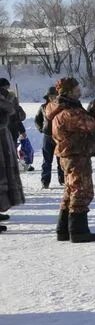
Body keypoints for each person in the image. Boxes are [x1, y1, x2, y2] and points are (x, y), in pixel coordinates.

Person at [48, 77, 95, 242]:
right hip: (76, 154)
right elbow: (91, 124)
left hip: (70, 154)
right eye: (76, 89)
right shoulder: (69, 111)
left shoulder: (62, 108)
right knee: (81, 191)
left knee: (70, 190)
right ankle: (78, 231)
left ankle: (64, 230)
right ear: (68, 92)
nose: (79, 91)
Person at [0, 85, 27, 225]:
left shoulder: (7, 97)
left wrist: (10, 99)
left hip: (5, 138)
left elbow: (18, 115)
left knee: (3, 177)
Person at [34, 87, 65, 189]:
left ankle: (63, 180)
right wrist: (41, 129)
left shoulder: (61, 107)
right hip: (47, 137)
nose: (52, 98)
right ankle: (45, 181)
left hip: (59, 136)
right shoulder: (43, 107)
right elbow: (37, 120)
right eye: (51, 96)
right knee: (47, 160)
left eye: (54, 96)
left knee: (60, 159)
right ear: (48, 97)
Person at [0, 79, 26, 146]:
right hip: (9, 131)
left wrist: (22, 130)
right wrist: (22, 130)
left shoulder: (12, 98)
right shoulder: (12, 98)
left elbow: (17, 117)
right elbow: (17, 117)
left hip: (11, 131)